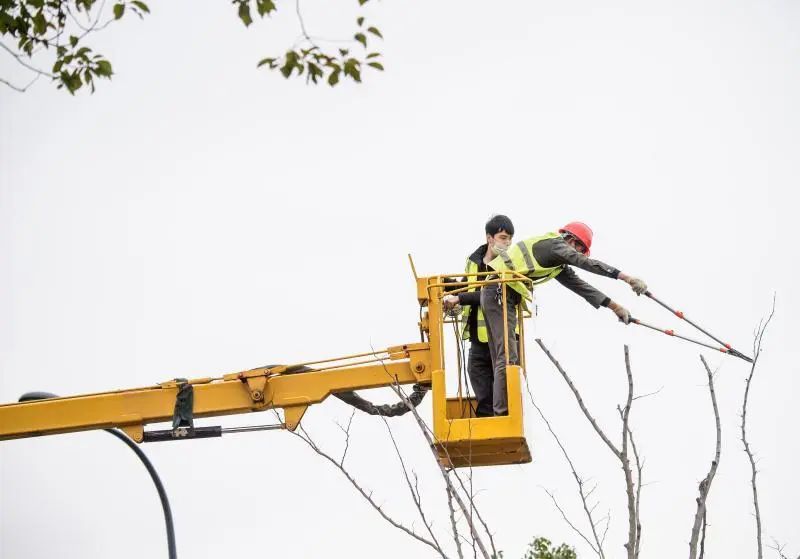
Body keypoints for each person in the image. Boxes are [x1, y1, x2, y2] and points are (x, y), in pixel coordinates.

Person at [479, 221, 647, 416]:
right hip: (499, 292)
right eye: (579, 249)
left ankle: (501, 412)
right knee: (507, 356)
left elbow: (580, 286)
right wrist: (625, 278)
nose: (577, 254)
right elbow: (586, 263)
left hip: (499, 293)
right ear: (571, 239)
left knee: (504, 356)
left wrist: (615, 307)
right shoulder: (554, 245)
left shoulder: (557, 263)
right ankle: (503, 415)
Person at [443, 215, 514, 417]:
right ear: (489, 238)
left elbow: (489, 293)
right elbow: (467, 286)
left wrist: (460, 298)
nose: (507, 243)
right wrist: (446, 288)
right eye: (502, 237)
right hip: (478, 338)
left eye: (509, 238)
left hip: (502, 340)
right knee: (483, 395)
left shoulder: (509, 264)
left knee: (502, 398)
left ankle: (501, 426)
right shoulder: (473, 261)